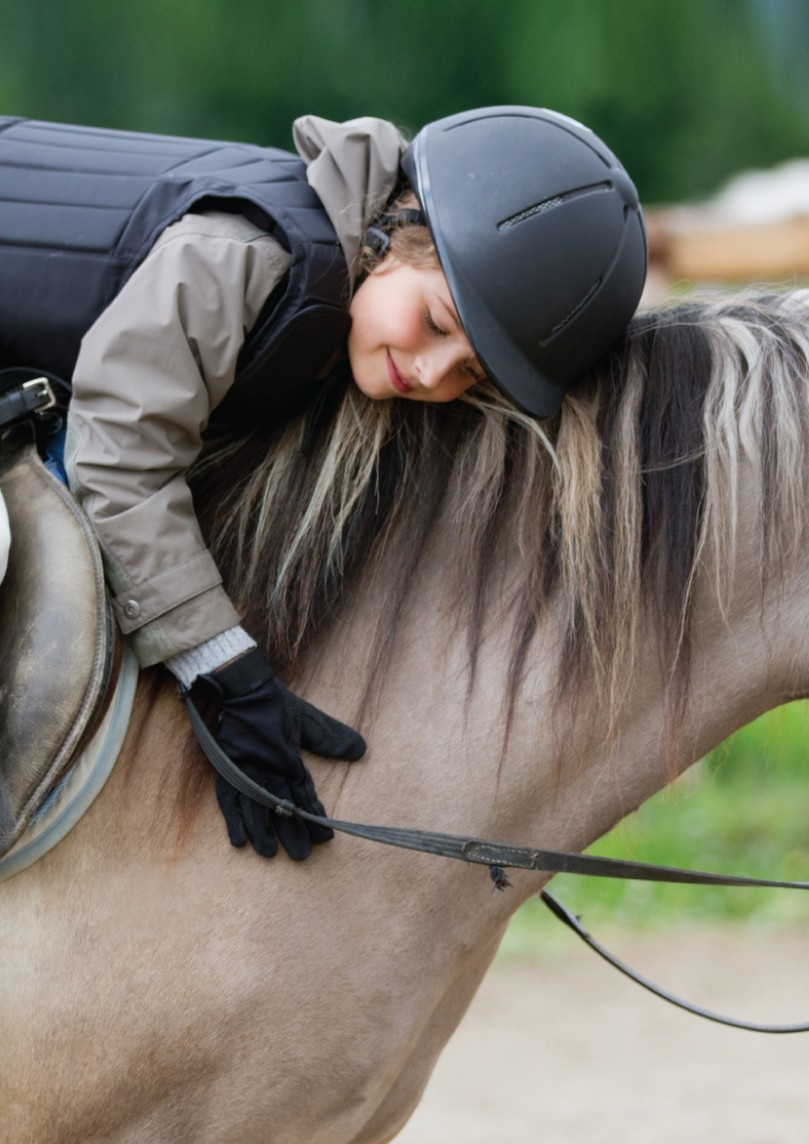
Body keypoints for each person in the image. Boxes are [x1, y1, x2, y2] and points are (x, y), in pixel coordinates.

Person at [0, 106, 648, 860]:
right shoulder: (240, 256)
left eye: (469, 371)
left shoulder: (342, 290)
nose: (434, 374)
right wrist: (221, 669)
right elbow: (118, 456)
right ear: (393, 235)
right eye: (438, 324)